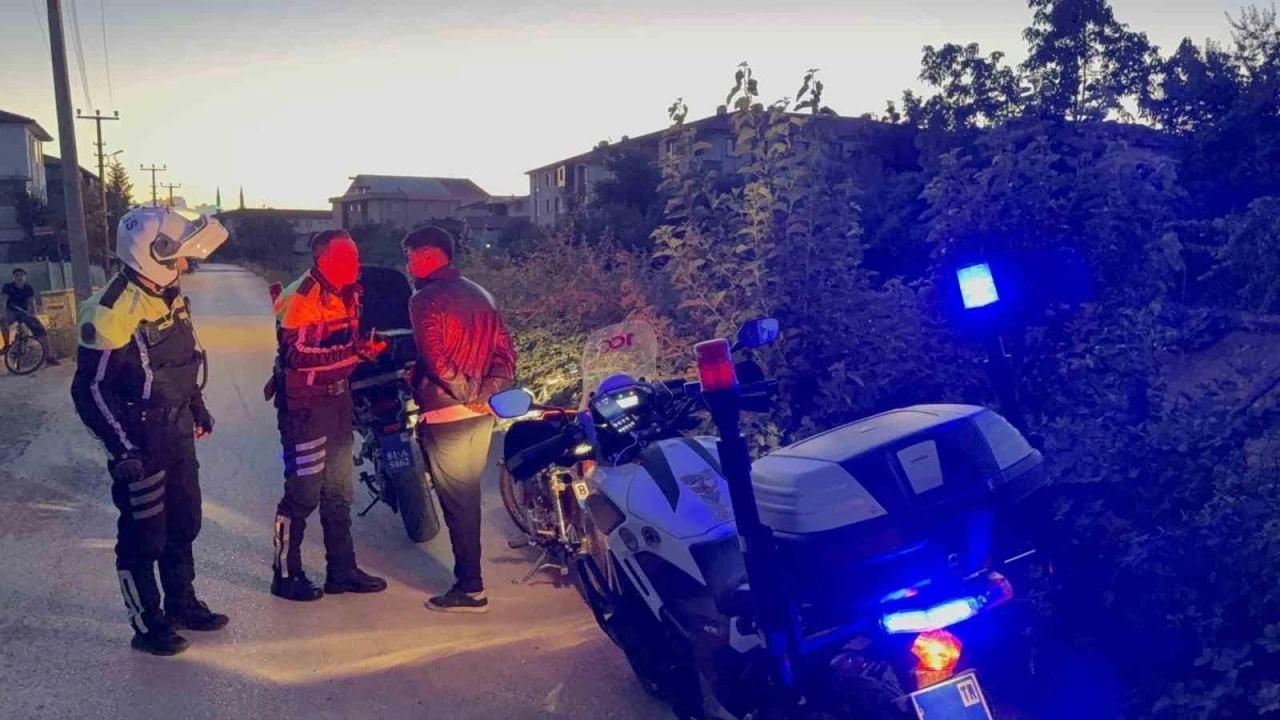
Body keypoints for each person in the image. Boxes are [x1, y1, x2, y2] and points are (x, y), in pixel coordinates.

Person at [70, 207, 230, 656]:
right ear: (151, 254)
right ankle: (148, 624)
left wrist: (196, 406)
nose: (185, 262)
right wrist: (122, 449)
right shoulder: (110, 310)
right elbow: (90, 390)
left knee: (185, 522)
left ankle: (182, 604)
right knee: (145, 537)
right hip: (138, 439)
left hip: (176, 428)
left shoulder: (168, 293)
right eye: (178, 255)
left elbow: (182, 359)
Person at [267, 229, 389, 601]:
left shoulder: (347, 293)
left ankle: (342, 570)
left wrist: (362, 352)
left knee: (339, 492)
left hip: (338, 402)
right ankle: (285, 575)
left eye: (356, 255)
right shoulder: (301, 297)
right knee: (302, 495)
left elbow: (343, 347)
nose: (356, 263)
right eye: (347, 257)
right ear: (323, 259)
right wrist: (355, 353)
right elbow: (298, 356)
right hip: (306, 407)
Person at [404, 225, 517, 614]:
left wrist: (466, 391)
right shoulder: (482, 294)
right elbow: (506, 354)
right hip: (481, 415)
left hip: (446, 412)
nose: (408, 265)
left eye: (410, 257)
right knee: (466, 498)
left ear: (427, 255)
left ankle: (470, 588)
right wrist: (486, 391)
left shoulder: (424, 300)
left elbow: (435, 360)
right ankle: (470, 582)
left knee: (458, 503)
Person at [2, 268, 58, 365]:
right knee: (4, 322)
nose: (19, 277)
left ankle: (49, 356)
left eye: (21, 275)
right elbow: (3, 301)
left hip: (24, 312)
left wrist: (34, 315)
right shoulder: (8, 287)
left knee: (41, 330)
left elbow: (32, 302)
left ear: (25, 277)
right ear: (14, 278)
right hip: (11, 311)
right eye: (17, 275)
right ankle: (7, 346)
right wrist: (3, 314)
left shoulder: (28, 288)